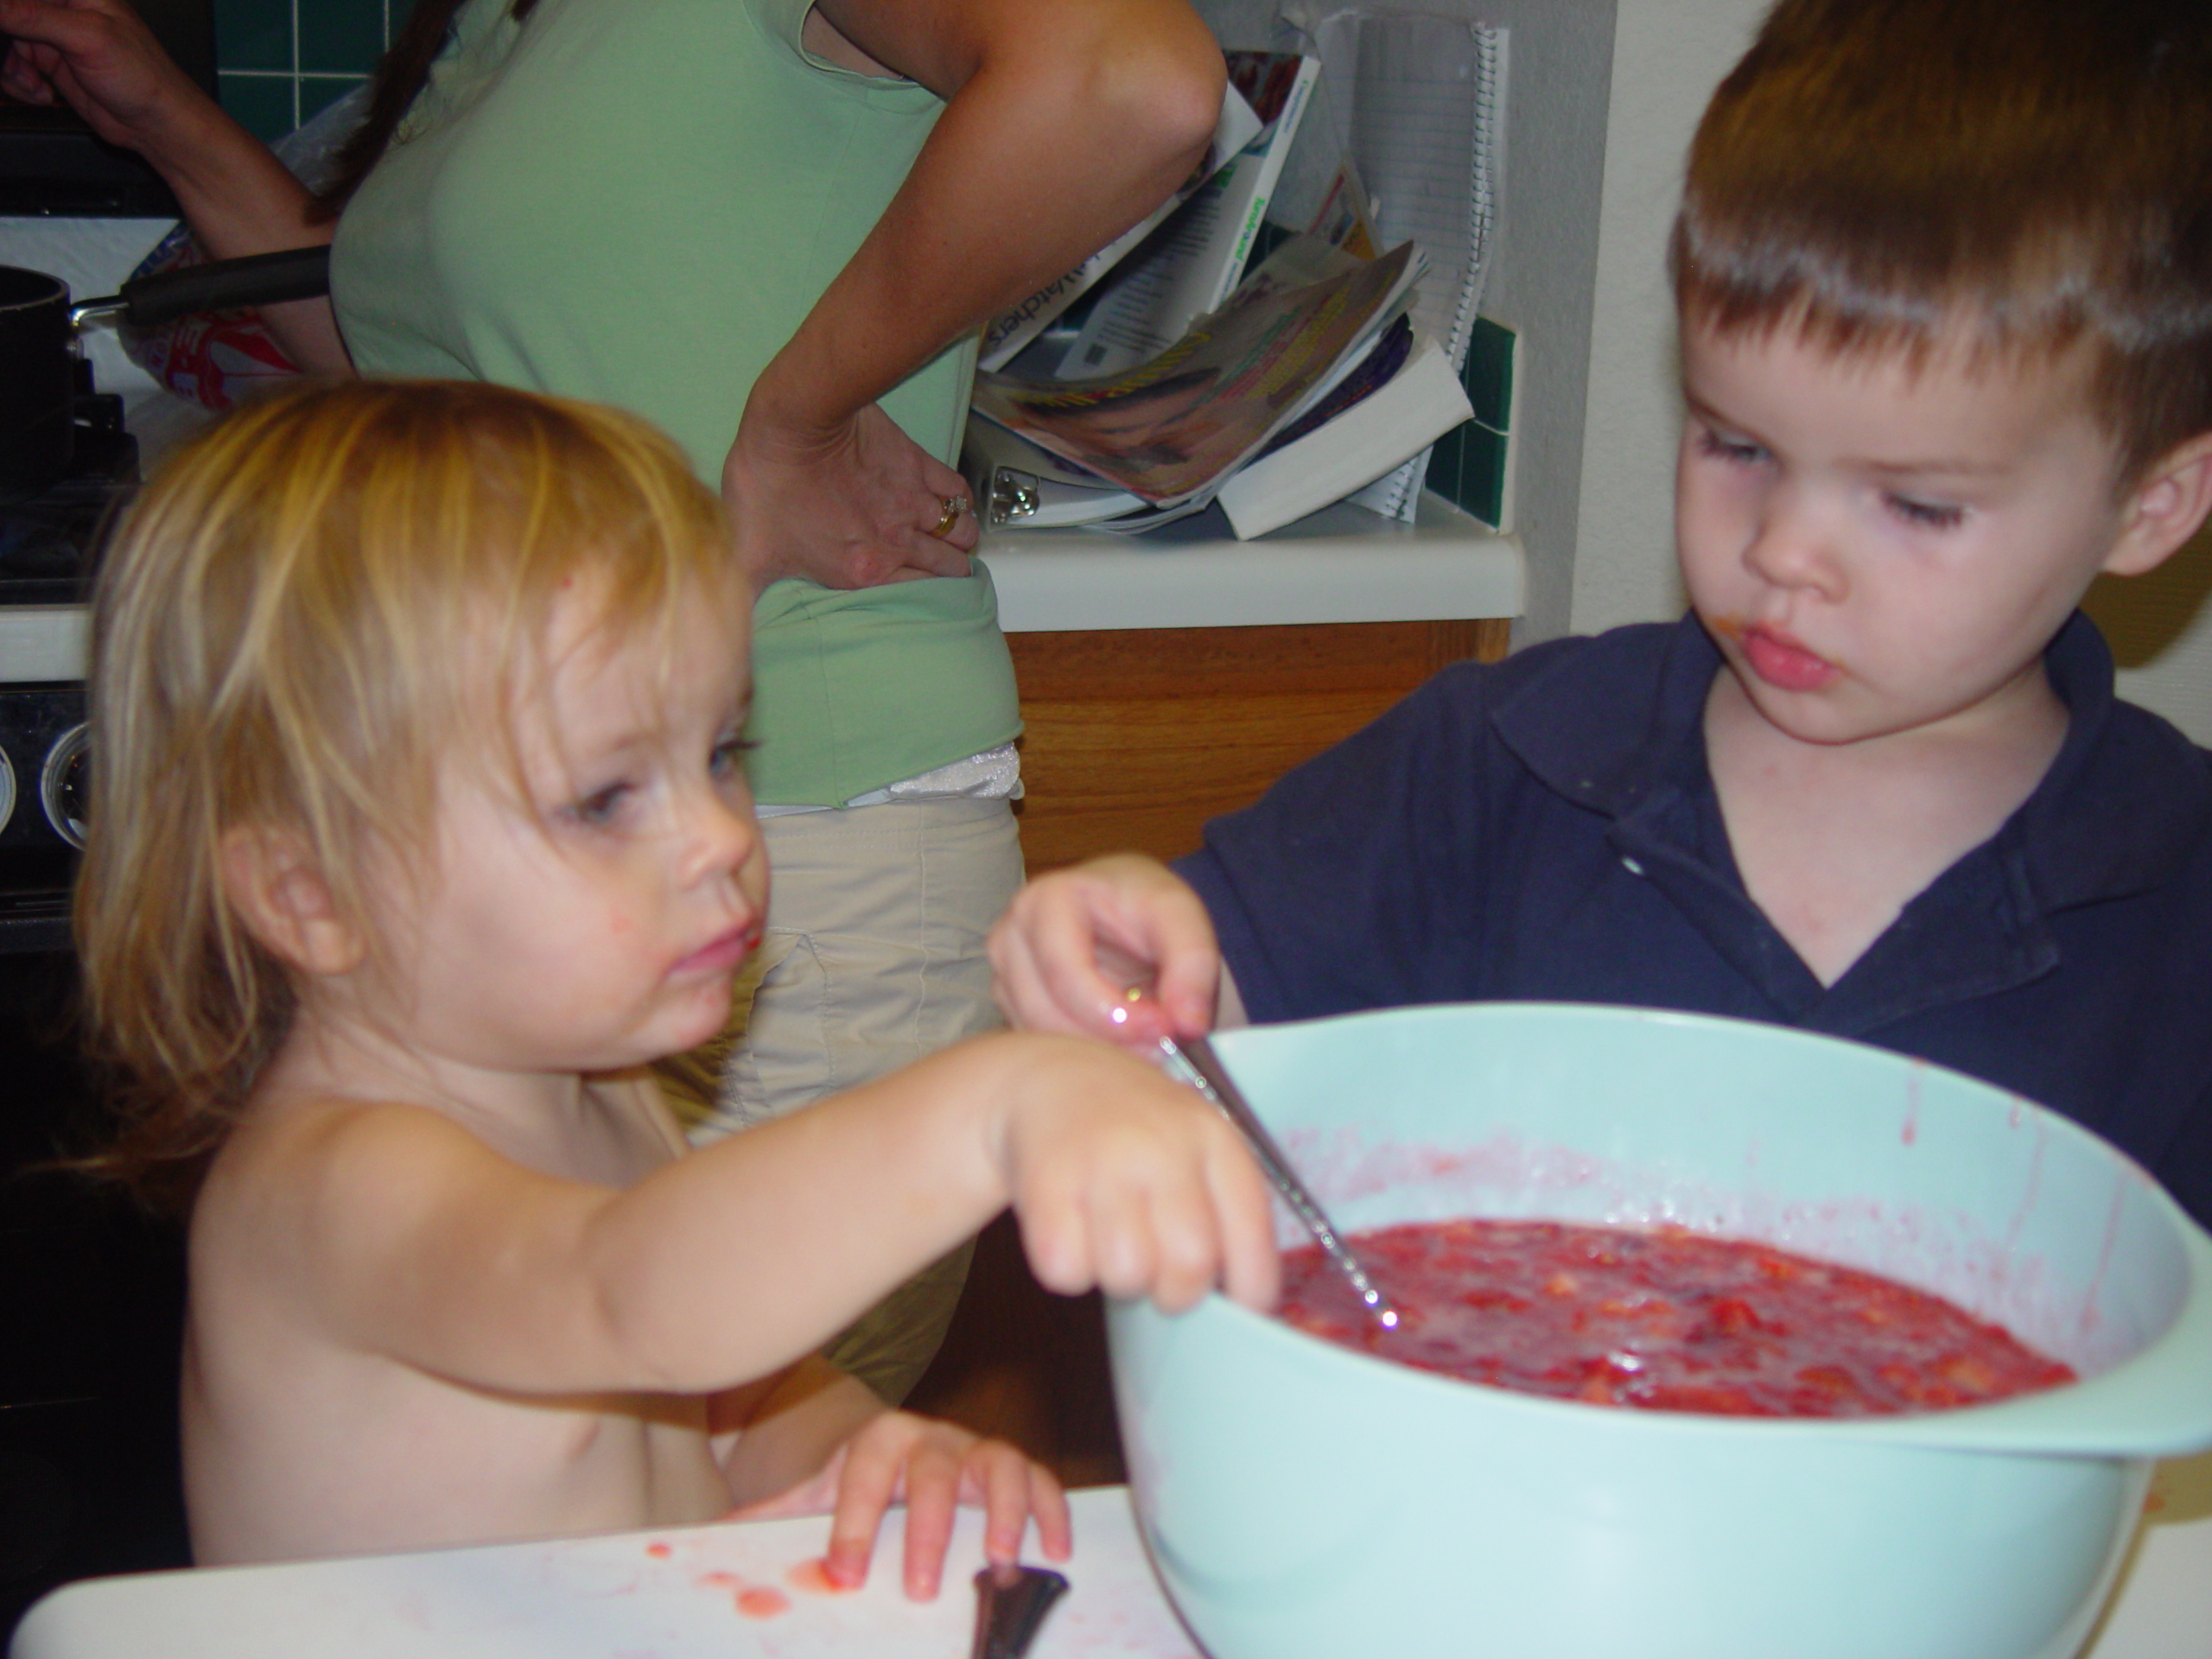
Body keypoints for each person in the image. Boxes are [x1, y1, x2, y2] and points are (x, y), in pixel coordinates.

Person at [0, 0, 1230, 1401]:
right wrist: (159, 114)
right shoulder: (501, 28)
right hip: (527, 911)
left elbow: (1128, 78)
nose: (717, 835)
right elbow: (435, 389)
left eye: (710, 761)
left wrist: (797, 420)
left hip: (818, 827)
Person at [988, 0, 2212, 1230]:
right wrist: (1122, 965)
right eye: (1737, 443)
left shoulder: (2181, 906)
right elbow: (1200, 1008)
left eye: (1918, 506)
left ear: (2151, 505)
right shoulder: (1506, 764)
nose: (1783, 550)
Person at [73, 378, 1275, 1574]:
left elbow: (726, 1397)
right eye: (604, 799)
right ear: (309, 897)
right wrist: (993, 1105)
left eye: (716, 753)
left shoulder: (600, 1094)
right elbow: (627, 1297)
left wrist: (867, 1450)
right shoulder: (334, 1186)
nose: (720, 838)